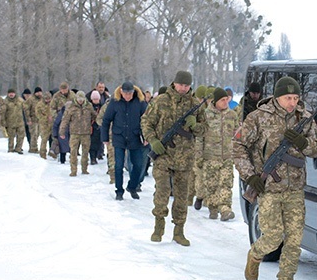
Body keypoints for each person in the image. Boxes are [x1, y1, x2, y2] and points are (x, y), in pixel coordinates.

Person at [233, 76, 317, 280]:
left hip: (294, 188)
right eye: (287, 98)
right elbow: (238, 147)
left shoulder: (304, 119)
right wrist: (250, 176)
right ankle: (255, 255)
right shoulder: (259, 118)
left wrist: (304, 144)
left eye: (295, 98)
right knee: (273, 237)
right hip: (268, 189)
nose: (292, 103)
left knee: (294, 242)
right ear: (277, 97)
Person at [140, 70, 207, 245]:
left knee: (182, 196)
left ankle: (179, 231)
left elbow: (205, 129)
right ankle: (158, 226)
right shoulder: (161, 101)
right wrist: (153, 140)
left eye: (187, 85)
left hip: (185, 158)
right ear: (174, 83)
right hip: (163, 155)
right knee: (162, 191)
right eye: (181, 85)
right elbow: (146, 121)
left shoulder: (194, 104)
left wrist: (195, 125)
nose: (183, 88)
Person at [194, 87, 239, 220]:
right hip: (210, 157)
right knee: (211, 185)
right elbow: (199, 137)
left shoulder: (232, 115)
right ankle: (213, 208)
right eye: (223, 100)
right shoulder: (205, 115)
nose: (226, 102)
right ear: (215, 101)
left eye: (227, 99)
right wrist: (199, 156)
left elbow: (237, 135)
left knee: (226, 184)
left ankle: (225, 209)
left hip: (227, 157)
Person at [102, 80, 148, 201]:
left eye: (130, 93)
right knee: (118, 165)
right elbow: (106, 120)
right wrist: (105, 138)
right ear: (121, 92)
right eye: (125, 93)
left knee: (138, 165)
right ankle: (119, 190)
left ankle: (132, 187)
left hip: (135, 137)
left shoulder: (140, 102)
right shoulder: (114, 102)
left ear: (133, 92)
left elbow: (147, 121)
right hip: (119, 137)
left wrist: (146, 136)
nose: (128, 96)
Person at [59, 90, 97, 176]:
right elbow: (65, 120)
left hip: (86, 133)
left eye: (82, 99)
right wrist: (62, 131)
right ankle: (73, 170)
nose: (80, 100)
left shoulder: (88, 106)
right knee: (73, 152)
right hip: (74, 133)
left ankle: (84, 169)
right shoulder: (71, 107)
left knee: (85, 152)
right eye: (79, 98)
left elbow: (95, 116)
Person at [2, 88, 25, 153]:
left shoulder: (20, 100)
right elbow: (3, 113)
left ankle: (18, 148)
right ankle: (10, 149)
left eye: (12, 93)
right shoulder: (5, 101)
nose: (11, 94)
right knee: (11, 137)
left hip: (20, 122)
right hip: (10, 123)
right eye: (10, 93)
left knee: (21, 136)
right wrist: (3, 122)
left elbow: (25, 108)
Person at [88, 90, 104, 165]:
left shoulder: (102, 107)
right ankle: (92, 158)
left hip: (99, 127)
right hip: (91, 127)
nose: (96, 101)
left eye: (97, 99)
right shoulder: (89, 107)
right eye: (94, 99)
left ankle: (99, 154)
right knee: (92, 144)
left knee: (99, 143)